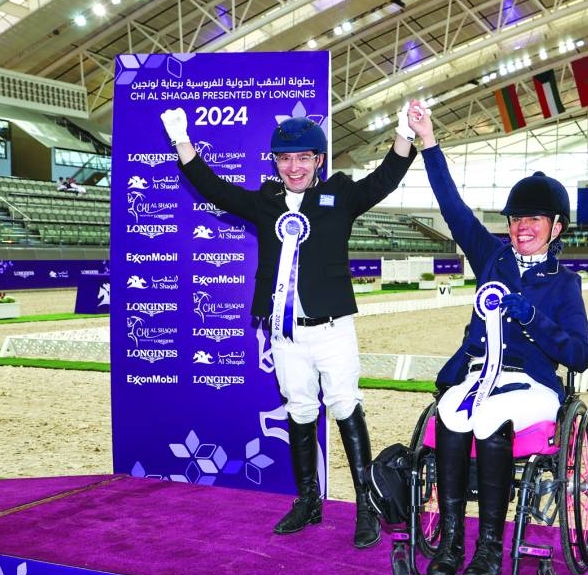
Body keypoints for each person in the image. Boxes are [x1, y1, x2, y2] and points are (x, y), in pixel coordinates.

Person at [160, 105, 418, 549]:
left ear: (319, 159)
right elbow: (216, 190)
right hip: (285, 334)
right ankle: (308, 501)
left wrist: (403, 134)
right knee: (299, 410)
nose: (293, 166)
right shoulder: (265, 201)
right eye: (284, 159)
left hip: (333, 329)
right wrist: (183, 142)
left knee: (344, 406)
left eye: (302, 157)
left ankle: (364, 505)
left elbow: (385, 178)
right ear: (275, 163)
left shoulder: (340, 194)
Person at [408, 106, 588, 575]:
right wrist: (428, 139)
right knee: (451, 410)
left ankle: (489, 549)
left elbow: (580, 355)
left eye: (533, 218)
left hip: (531, 384)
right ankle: (450, 542)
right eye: (514, 218)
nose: (521, 226)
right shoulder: (491, 255)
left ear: (557, 226)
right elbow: (451, 206)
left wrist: (531, 317)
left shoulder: (565, 283)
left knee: (489, 416)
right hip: (477, 376)